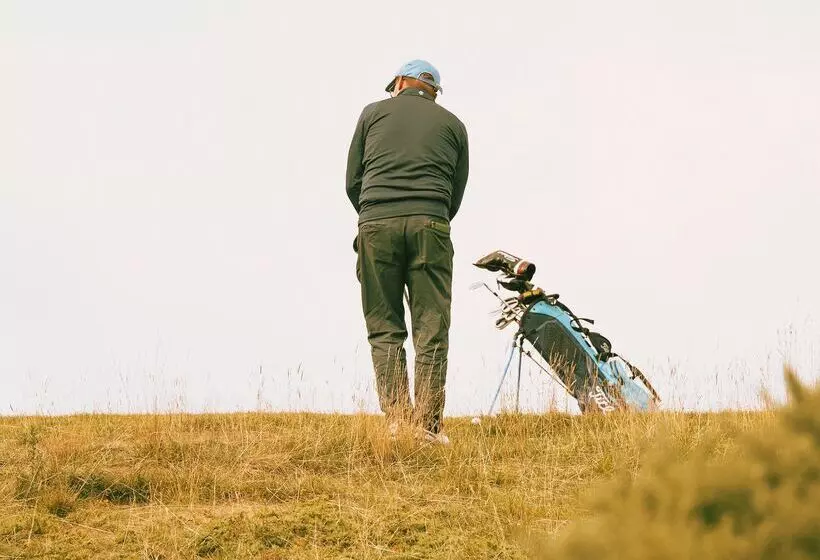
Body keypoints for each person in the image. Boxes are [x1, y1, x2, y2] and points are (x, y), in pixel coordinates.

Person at [346, 60, 469, 445]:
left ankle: (398, 422)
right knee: (431, 328)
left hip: (376, 225)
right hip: (431, 225)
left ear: (400, 82)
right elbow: (456, 193)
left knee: (385, 327)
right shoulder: (454, 125)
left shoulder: (372, 114)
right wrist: (428, 215)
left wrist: (376, 214)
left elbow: (352, 181)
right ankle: (429, 427)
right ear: (434, 92)